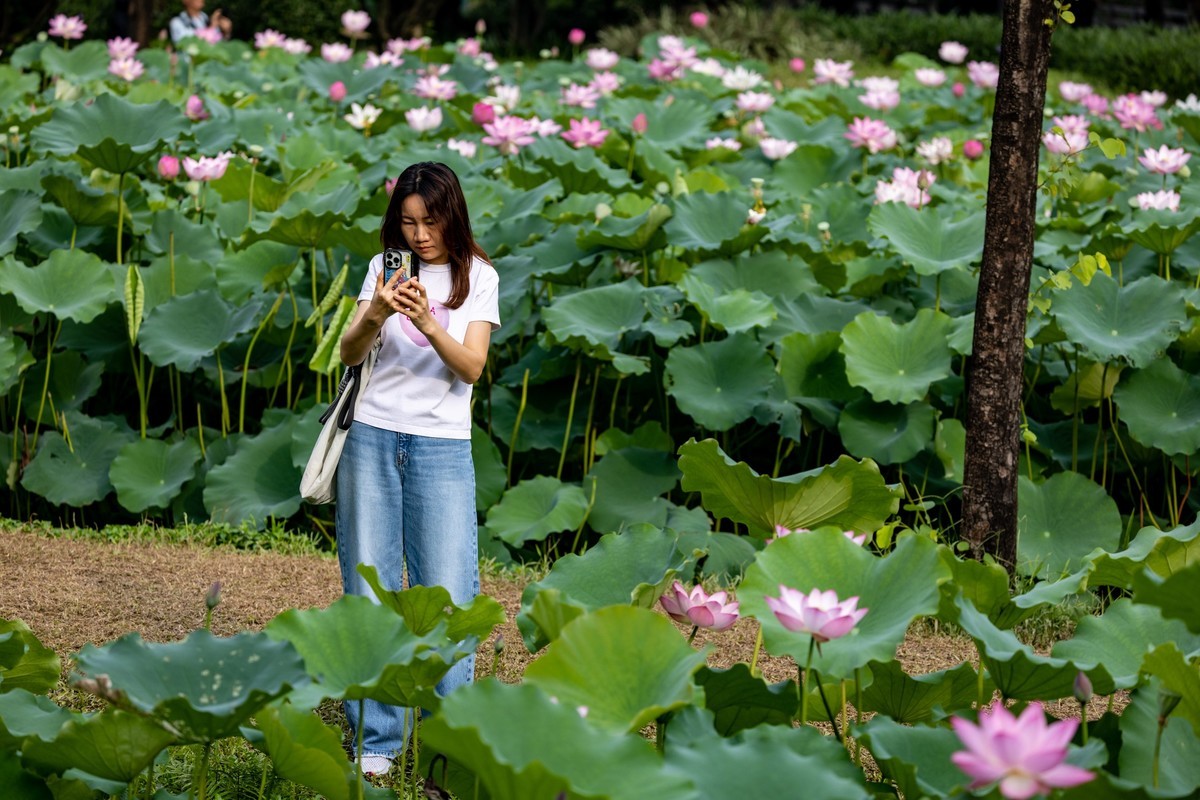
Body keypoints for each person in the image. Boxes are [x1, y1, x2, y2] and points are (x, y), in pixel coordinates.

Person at [335, 161, 500, 777]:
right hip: (372, 437)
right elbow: (349, 355)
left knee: (451, 590)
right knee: (369, 586)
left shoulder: (477, 278)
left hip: (441, 446)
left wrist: (428, 321)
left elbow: (473, 367)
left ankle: (448, 740)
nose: (419, 235)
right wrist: (377, 312)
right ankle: (376, 740)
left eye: (429, 221)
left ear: (451, 214)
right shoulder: (383, 267)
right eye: (407, 223)